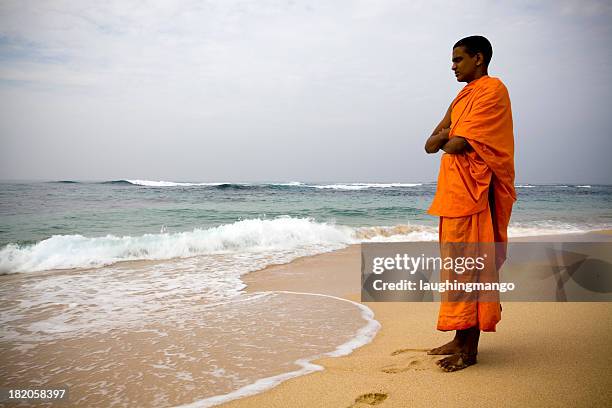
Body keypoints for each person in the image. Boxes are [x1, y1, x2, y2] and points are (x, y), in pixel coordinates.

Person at [424, 35, 516, 372]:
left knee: (473, 270)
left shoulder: (493, 90)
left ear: (478, 58)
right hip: (452, 197)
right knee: (455, 272)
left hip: (477, 196)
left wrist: (449, 137)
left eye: (458, 59)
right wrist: (448, 137)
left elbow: (456, 143)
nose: (452, 66)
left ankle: (470, 351)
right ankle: (460, 337)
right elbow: (430, 143)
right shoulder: (462, 96)